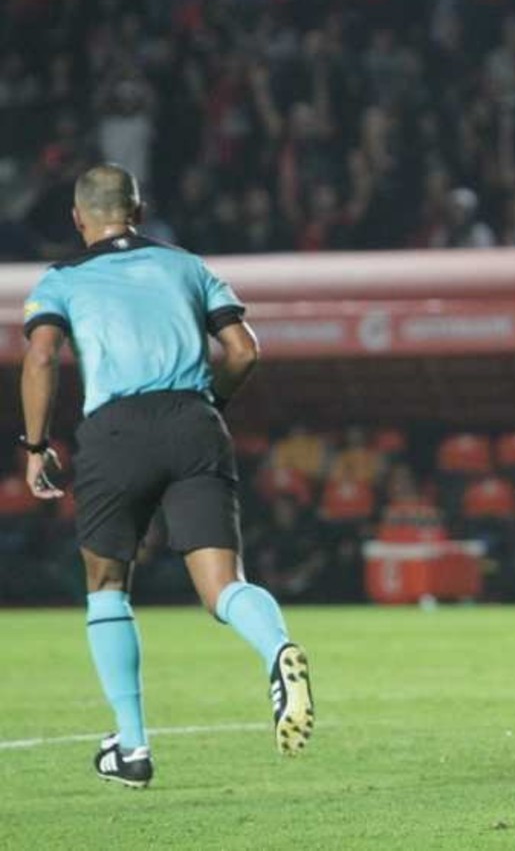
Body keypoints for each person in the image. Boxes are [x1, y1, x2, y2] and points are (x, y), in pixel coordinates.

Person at [19, 165, 314, 789]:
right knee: (223, 585)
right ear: (140, 210)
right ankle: (278, 650)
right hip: (194, 422)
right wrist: (209, 405)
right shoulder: (187, 265)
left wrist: (36, 446)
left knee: (107, 584)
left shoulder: (62, 278)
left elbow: (41, 356)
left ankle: (132, 747)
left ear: (78, 218)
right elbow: (244, 350)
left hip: (116, 432)